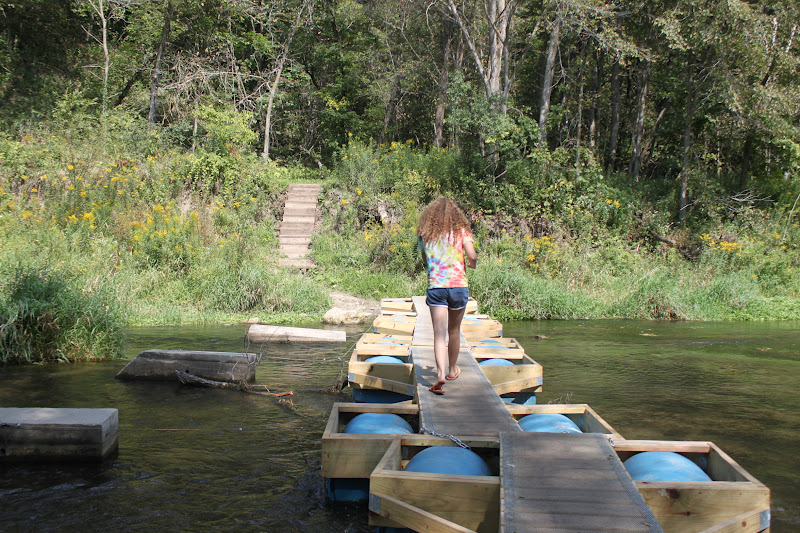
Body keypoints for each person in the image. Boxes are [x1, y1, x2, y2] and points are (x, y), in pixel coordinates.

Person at [417, 198, 477, 395]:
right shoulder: (461, 231)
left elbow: (426, 260)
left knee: (439, 334)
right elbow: (472, 255)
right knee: (454, 331)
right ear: (455, 214)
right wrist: (472, 264)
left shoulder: (425, 234)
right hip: (458, 286)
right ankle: (452, 370)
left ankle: (440, 373)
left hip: (436, 287)